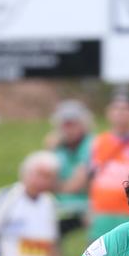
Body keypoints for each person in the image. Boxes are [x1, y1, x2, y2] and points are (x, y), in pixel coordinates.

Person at [65, 89, 129, 244]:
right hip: (101, 216)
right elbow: (88, 178)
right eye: (116, 109)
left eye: (126, 109)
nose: (121, 113)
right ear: (109, 113)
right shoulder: (97, 143)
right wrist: (89, 208)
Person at [47, 99, 94, 237]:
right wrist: (49, 149)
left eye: (73, 124)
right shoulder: (57, 148)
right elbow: (46, 180)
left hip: (87, 206)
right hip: (61, 206)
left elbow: (76, 184)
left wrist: (58, 187)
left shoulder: (91, 144)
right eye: (64, 125)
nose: (68, 129)